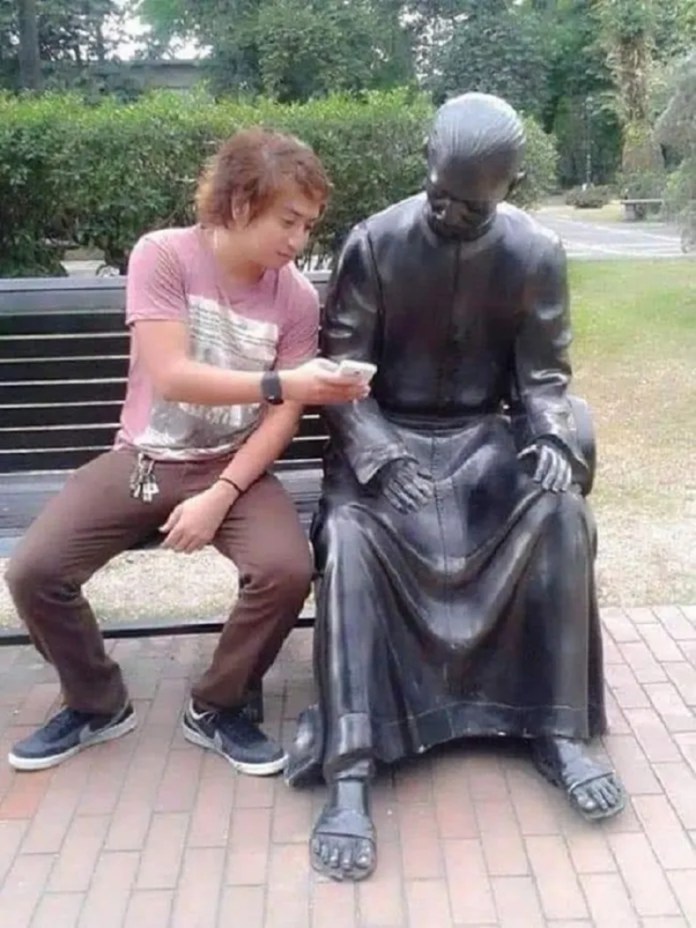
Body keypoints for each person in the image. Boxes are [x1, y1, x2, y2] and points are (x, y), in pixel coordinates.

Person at [285, 93, 626, 882]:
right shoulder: (375, 243)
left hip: (480, 444)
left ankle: (558, 729)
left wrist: (549, 441)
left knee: (560, 515)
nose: (449, 213)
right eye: (439, 193)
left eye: (471, 205)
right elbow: (343, 384)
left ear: (507, 187)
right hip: (390, 441)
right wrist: (377, 457)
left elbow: (543, 379)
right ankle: (352, 770)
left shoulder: (536, 252)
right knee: (352, 540)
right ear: (428, 165)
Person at [5, 127, 368, 774]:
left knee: (286, 570)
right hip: (144, 464)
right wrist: (285, 382)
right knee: (35, 571)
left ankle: (219, 704)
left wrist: (221, 494)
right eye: (288, 220)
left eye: (309, 226)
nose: (299, 240)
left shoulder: (296, 296)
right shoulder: (164, 256)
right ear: (236, 205)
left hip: (235, 469)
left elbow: (280, 420)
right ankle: (96, 703)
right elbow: (170, 375)